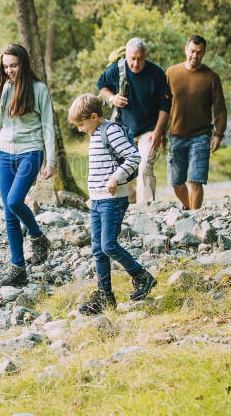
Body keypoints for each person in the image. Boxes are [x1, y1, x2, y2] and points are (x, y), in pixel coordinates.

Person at [67, 94, 156, 314]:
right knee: (98, 250)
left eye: (81, 124)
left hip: (113, 200)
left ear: (94, 116)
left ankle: (142, 276)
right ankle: (105, 296)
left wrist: (116, 177)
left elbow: (134, 157)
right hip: (97, 200)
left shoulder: (111, 131)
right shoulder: (95, 132)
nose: (79, 129)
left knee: (108, 245)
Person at [0, 44, 54, 287]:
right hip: (5, 154)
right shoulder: (1, 89)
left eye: (14, 65)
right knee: (9, 213)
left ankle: (37, 235)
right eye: (6, 66)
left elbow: (47, 126)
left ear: (23, 64)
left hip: (30, 151)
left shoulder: (39, 89)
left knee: (14, 201)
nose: (10, 70)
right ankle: (18, 267)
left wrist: (50, 160)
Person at [97, 38, 171, 204]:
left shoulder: (157, 74)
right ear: (126, 56)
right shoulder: (117, 69)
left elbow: (165, 106)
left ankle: (145, 207)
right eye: (132, 58)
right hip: (123, 129)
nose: (136, 63)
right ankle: (128, 201)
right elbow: (101, 85)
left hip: (149, 129)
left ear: (145, 56)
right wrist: (112, 98)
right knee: (120, 168)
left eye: (140, 59)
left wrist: (158, 132)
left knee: (144, 166)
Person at [165, 35, 227, 210]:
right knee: (176, 182)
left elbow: (220, 109)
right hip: (176, 135)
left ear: (204, 53)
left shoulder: (211, 77)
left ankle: (195, 218)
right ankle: (187, 207)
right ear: (186, 49)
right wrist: (159, 132)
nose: (195, 56)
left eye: (199, 53)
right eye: (192, 51)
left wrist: (218, 134)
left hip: (201, 136)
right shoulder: (171, 73)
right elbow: (162, 106)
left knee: (195, 180)